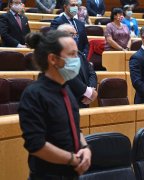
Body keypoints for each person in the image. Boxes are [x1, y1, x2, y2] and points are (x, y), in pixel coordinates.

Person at [19, 30, 91, 179]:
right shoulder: (34, 94)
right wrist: (72, 159)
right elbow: (36, 145)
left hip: (72, 173)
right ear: (53, 59)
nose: (77, 59)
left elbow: (75, 128)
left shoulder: (66, 89)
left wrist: (85, 148)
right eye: (72, 55)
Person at [57, 24, 98, 108]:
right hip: (67, 101)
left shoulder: (79, 54)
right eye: (72, 34)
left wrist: (91, 89)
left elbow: (92, 73)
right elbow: (69, 77)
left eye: (76, 34)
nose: (75, 37)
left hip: (84, 101)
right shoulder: (57, 55)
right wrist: (88, 92)